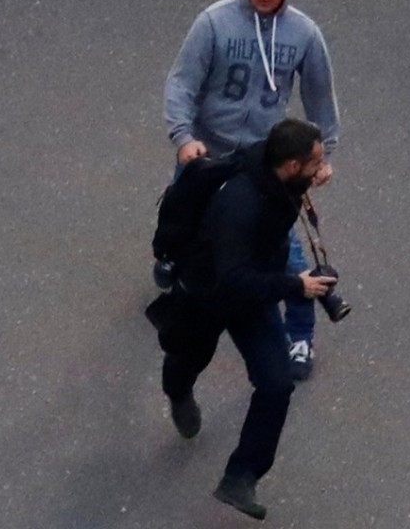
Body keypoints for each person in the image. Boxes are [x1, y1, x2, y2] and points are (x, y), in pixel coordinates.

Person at [164, 0, 340, 380]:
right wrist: (184, 137)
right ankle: (173, 259)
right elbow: (182, 83)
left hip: (267, 162)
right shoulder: (214, 23)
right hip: (209, 148)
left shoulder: (303, 34)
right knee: (183, 219)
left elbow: (321, 98)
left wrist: (323, 156)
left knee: (288, 254)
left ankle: (299, 337)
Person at [158, 119, 337, 520]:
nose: (321, 170)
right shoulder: (239, 204)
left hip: (255, 291)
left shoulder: (279, 172)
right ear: (291, 165)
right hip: (208, 294)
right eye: (315, 164)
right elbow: (233, 278)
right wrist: (295, 286)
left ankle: (241, 476)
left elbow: (249, 280)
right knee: (185, 361)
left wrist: (316, 175)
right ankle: (178, 391)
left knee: (276, 383)